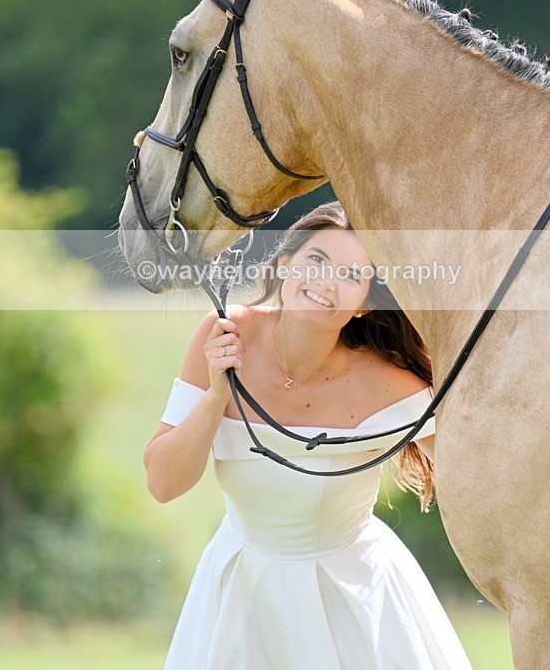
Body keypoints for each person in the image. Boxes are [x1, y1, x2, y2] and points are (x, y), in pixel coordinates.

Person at [144, 201, 473, 670]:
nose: (324, 282)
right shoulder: (223, 334)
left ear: (365, 305)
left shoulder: (388, 385)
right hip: (239, 592)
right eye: (316, 261)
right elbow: (163, 483)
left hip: (354, 598)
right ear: (284, 265)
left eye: (350, 274)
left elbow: (473, 482)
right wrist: (218, 391)